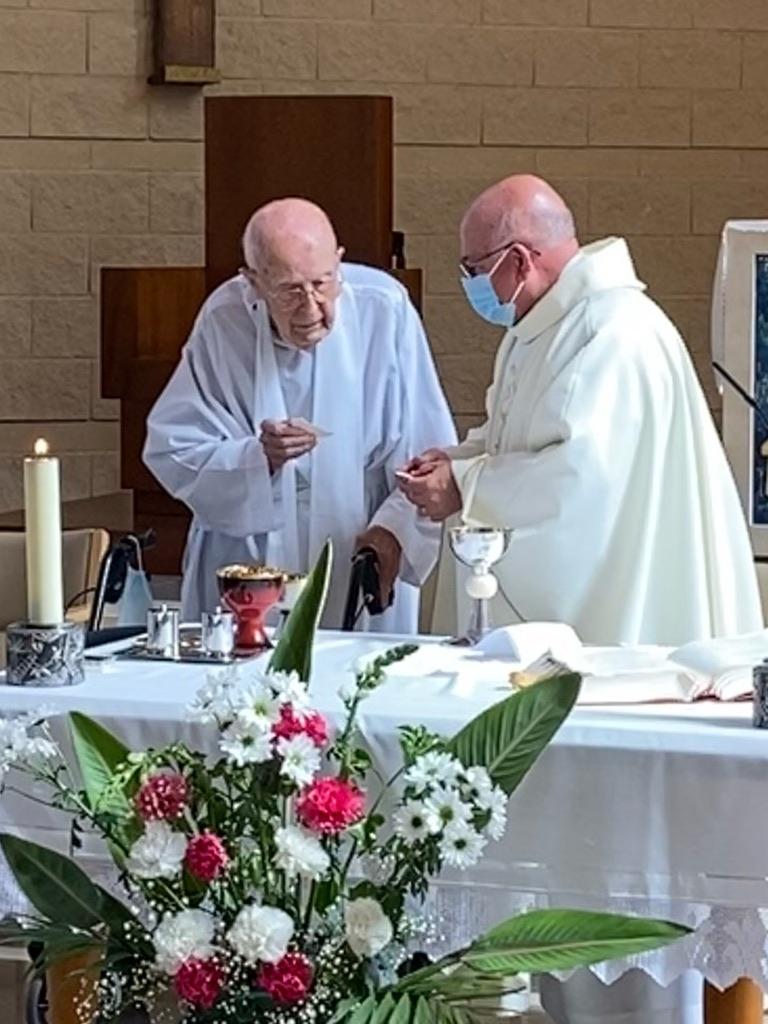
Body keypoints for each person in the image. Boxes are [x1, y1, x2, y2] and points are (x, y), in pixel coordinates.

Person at [397, 174, 764, 1024]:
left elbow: (581, 484)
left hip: (632, 628)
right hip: (590, 621)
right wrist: (461, 459)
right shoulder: (544, 321)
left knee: (629, 883)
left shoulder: (614, 332)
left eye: (473, 269)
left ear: (520, 260)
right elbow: (524, 440)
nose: (471, 288)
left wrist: (469, 485)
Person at [143, 198, 456, 630]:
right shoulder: (223, 319)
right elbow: (172, 450)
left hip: (359, 543)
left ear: (339, 263)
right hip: (251, 561)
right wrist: (259, 457)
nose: (311, 309)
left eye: (322, 284)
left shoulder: (385, 308)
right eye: (289, 291)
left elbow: (431, 454)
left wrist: (393, 531)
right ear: (251, 282)